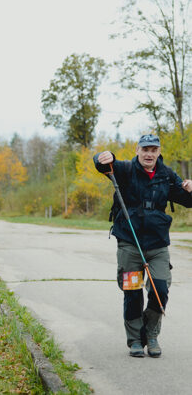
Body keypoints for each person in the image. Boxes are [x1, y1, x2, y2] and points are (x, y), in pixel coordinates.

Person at [93, 134, 192, 358]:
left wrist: (190, 189)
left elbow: (188, 201)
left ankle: (151, 334)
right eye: (145, 149)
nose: (149, 154)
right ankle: (135, 340)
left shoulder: (167, 175)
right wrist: (101, 157)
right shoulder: (125, 170)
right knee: (132, 293)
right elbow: (103, 165)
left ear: (158, 152)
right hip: (130, 244)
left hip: (157, 245)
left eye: (153, 150)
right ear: (137, 150)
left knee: (160, 290)